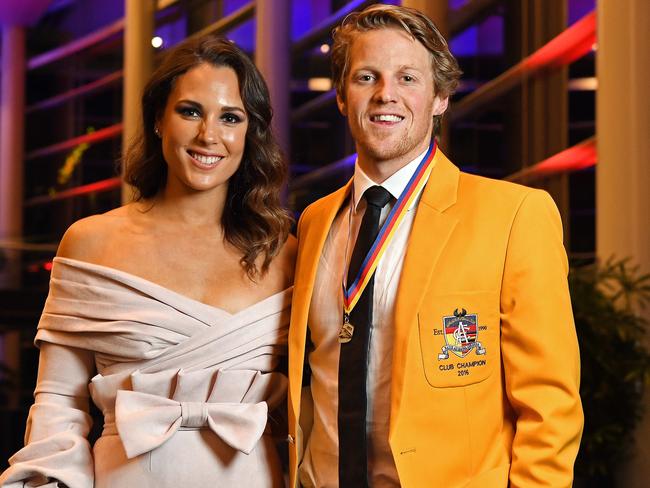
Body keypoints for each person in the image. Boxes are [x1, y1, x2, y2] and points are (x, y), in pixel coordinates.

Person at [287, 4, 583, 487]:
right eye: (366, 77)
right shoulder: (315, 222)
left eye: (408, 78)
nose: (386, 95)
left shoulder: (513, 217)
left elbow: (550, 406)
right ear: (342, 96)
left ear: (440, 96)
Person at [1, 36, 295, 488]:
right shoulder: (91, 242)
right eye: (190, 111)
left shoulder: (286, 253)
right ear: (159, 119)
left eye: (230, 117)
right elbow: (59, 402)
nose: (208, 135)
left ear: (248, 133)